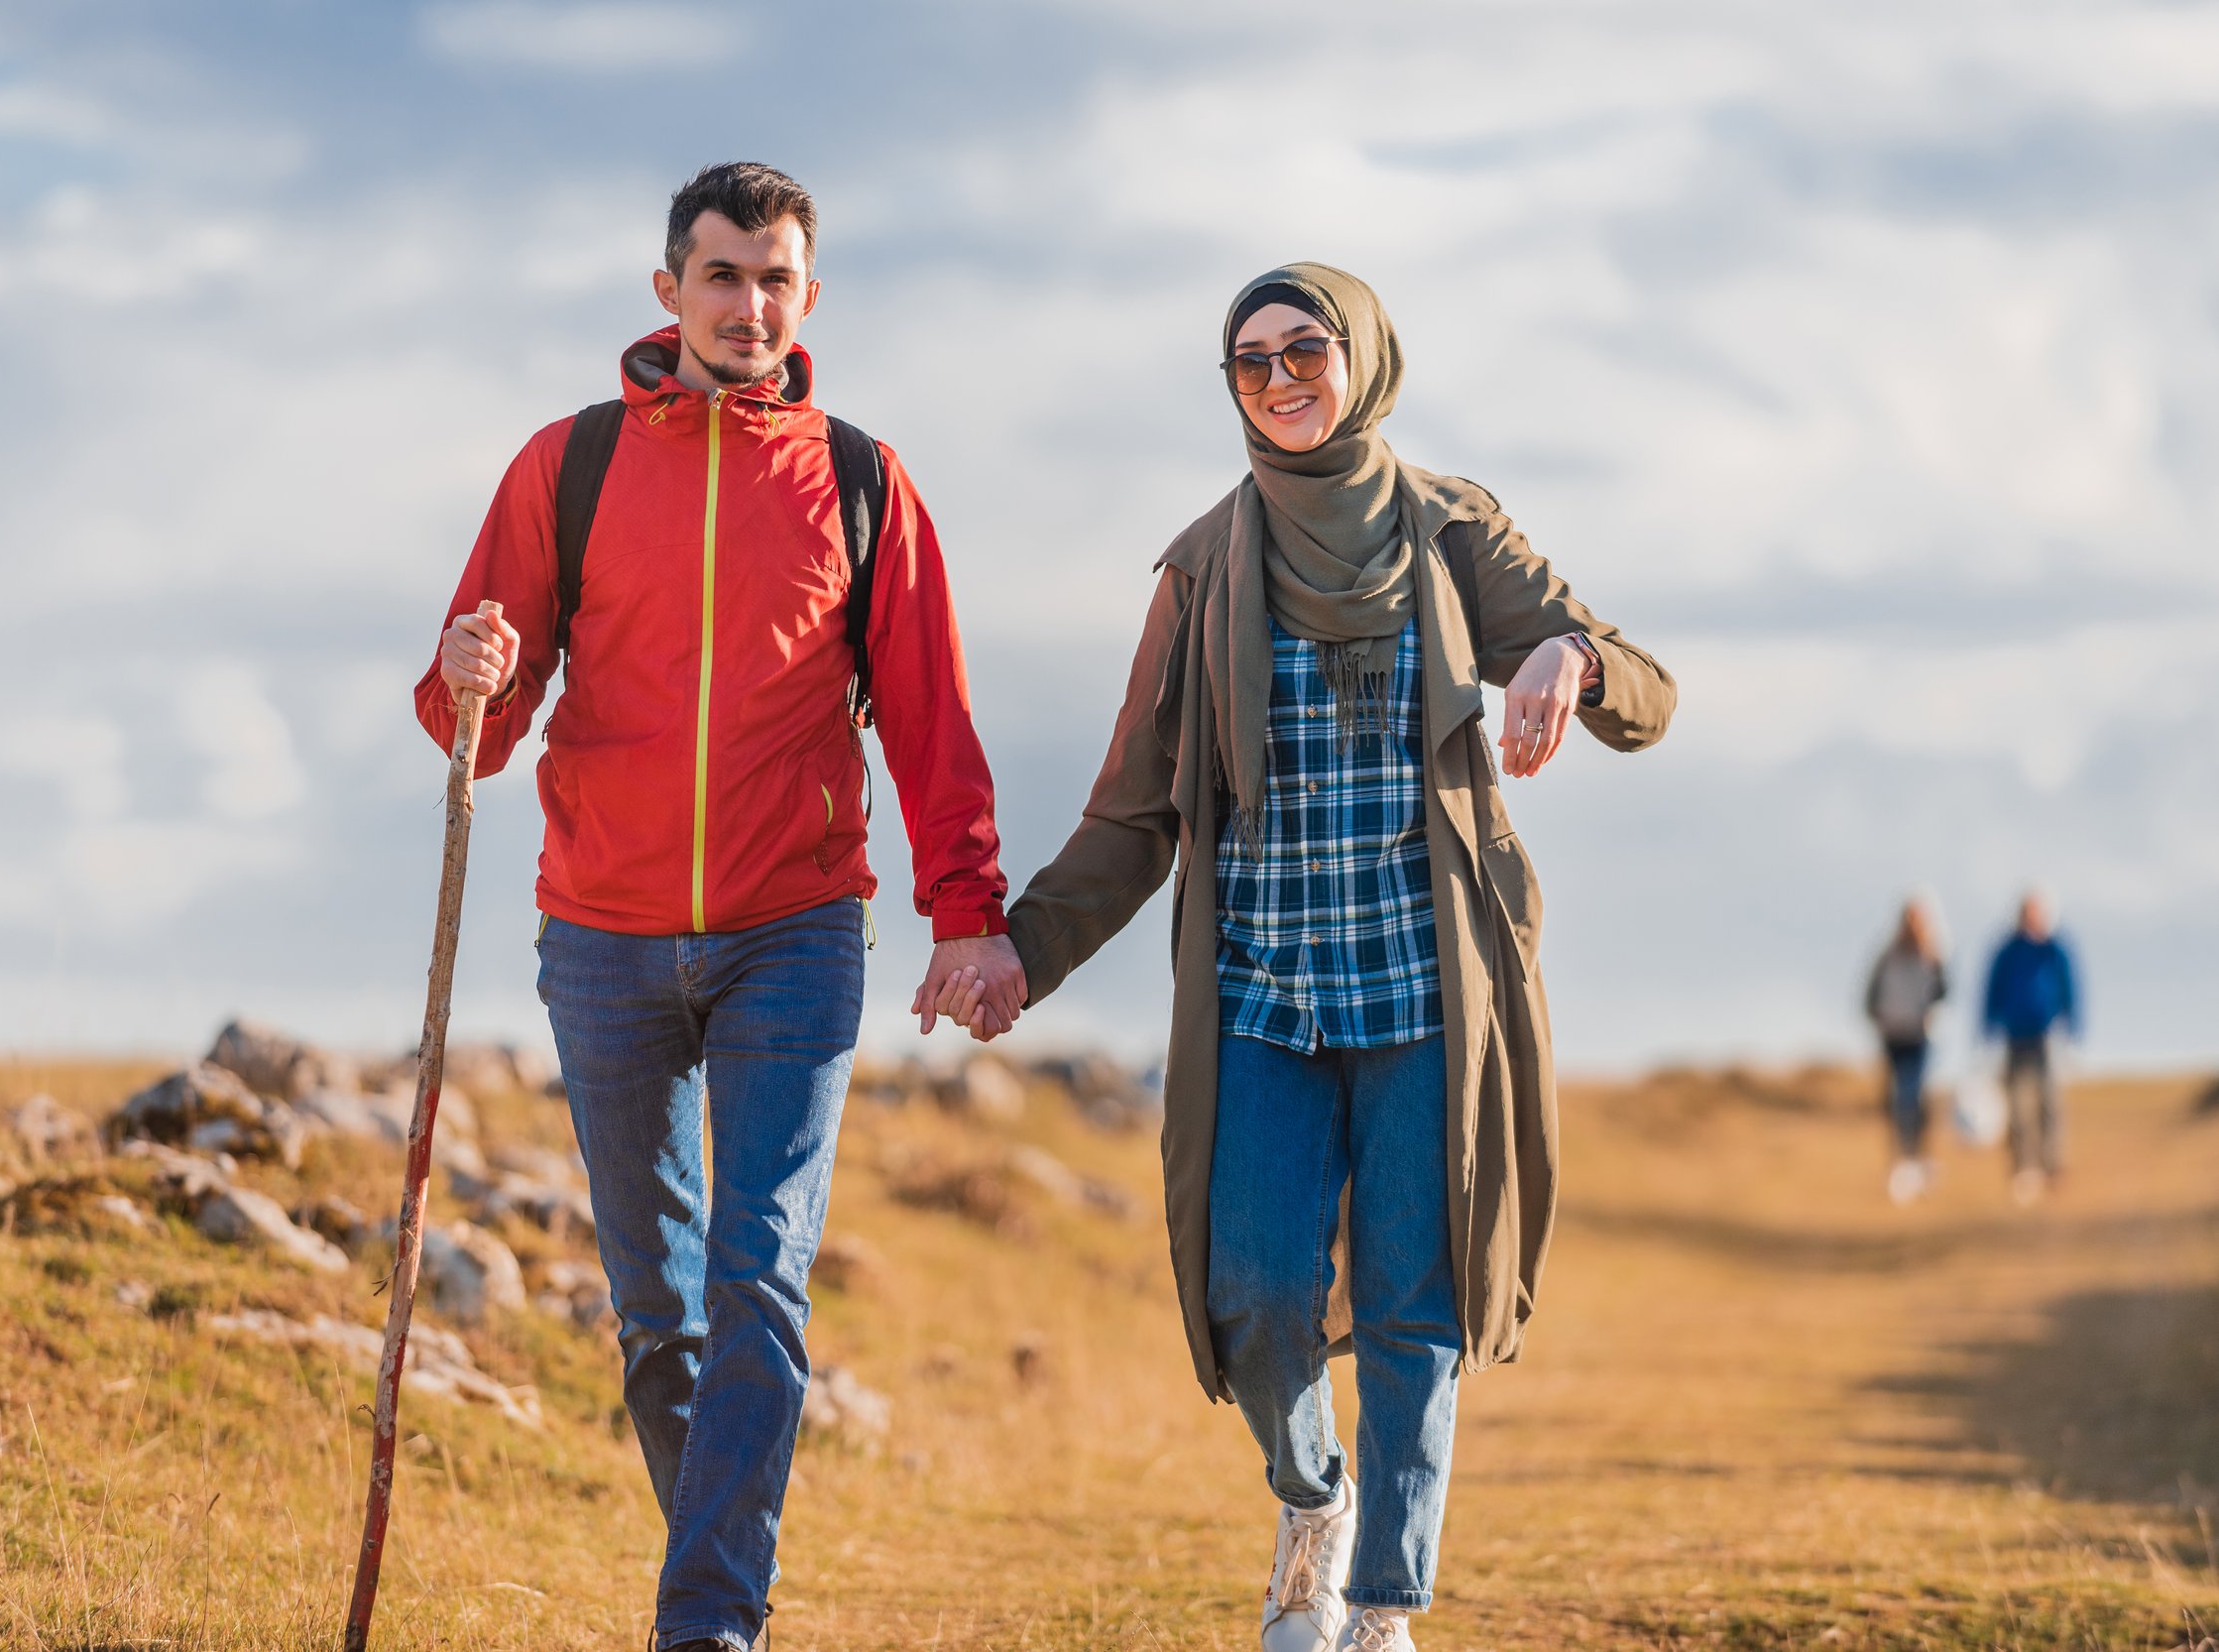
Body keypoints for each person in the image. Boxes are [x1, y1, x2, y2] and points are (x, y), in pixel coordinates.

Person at [932, 264, 1674, 1652]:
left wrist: (1568, 657)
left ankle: (1383, 1601)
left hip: (1425, 996)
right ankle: (1312, 1501)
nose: (1281, 379)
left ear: (1364, 357)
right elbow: (1135, 810)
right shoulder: (1205, 567)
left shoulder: (1456, 532)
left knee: (1413, 1298)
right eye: (1251, 362)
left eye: (1305, 350)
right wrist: (1017, 954)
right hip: (1264, 1000)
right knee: (1259, 1291)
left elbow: (1647, 688)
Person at [417, 162, 1026, 1652]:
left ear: (807, 299)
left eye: (775, 280)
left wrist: (971, 910)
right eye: (721, 275)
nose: (747, 305)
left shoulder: (863, 480)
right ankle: (723, 1574)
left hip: (795, 932)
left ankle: (707, 1624)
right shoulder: (564, 467)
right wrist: (464, 676)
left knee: (760, 1279)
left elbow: (930, 718)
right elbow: (475, 727)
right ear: (668, 291)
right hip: (604, 935)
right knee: (660, 1313)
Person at [1982, 888, 2081, 1205]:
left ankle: (2052, 1167)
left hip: (2047, 1033)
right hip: (2014, 1034)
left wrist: (2073, 1027)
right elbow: (1992, 989)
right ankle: (2023, 1169)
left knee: (2049, 1103)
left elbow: (2070, 988)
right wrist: (1988, 1026)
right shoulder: (2007, 950)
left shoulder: (2055, 949)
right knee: (2017, 1105)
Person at [1863, 895, 1948, 1204]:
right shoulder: (1887, 955)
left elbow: (1944, 993)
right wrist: (1877, 1017)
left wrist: (1930, 1014)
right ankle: (1900, 1160)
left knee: (1914, 1096)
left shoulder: (1933, 955)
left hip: (1920, 1036)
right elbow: (1870, 995)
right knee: (1894, 1099)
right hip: (1893, 1035)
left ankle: (1918, 1158)